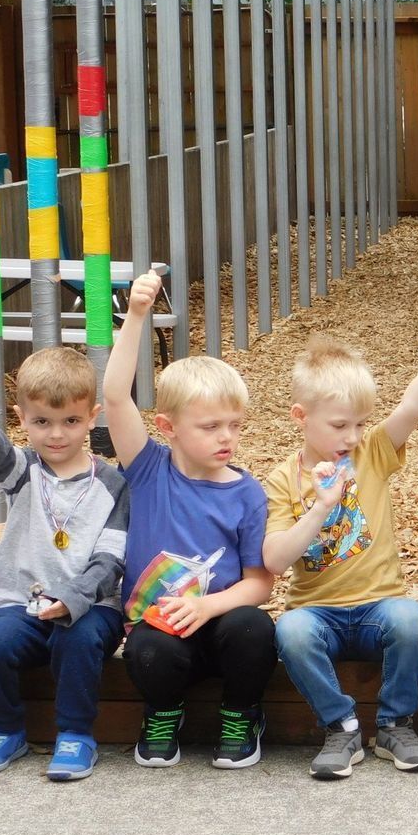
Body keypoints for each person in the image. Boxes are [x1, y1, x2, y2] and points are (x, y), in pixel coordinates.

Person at [262, 303, 418, 779]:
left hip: (379, 603)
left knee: (409, 618)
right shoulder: (282, 479)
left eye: (360, 423)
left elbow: (412, 407)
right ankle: (339, 725)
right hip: (316, 610)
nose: (353, 436)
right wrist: (319, 506)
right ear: (301, 416)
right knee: (290, 632)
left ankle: (395, 724)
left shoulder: (372, 452)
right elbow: (275, 561)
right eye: (340, 425)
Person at [106, 270, 276, 770]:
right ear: (168, 428)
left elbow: (259, 584)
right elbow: (115, 396)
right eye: (210, 427)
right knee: (146, 652)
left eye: (234, 425)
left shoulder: (246, 493)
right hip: (161, 631)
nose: (226, 437)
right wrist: (137, 316)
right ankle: (162, 712)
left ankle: (241, 714)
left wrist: (208, 608)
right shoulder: (148, 469)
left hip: (221, 623)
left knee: (254, 629)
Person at [0, 342, 126, 781]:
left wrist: (74, 597)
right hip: (23, 606)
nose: (56, 434)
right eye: (41, 421)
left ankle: (76, 734)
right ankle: (5, 730)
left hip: (91, 608)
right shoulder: (24, 471)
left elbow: (110, 559)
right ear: (21, 418)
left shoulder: (113, 483)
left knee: (75, 642)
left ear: (91, 417)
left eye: (71, 421)